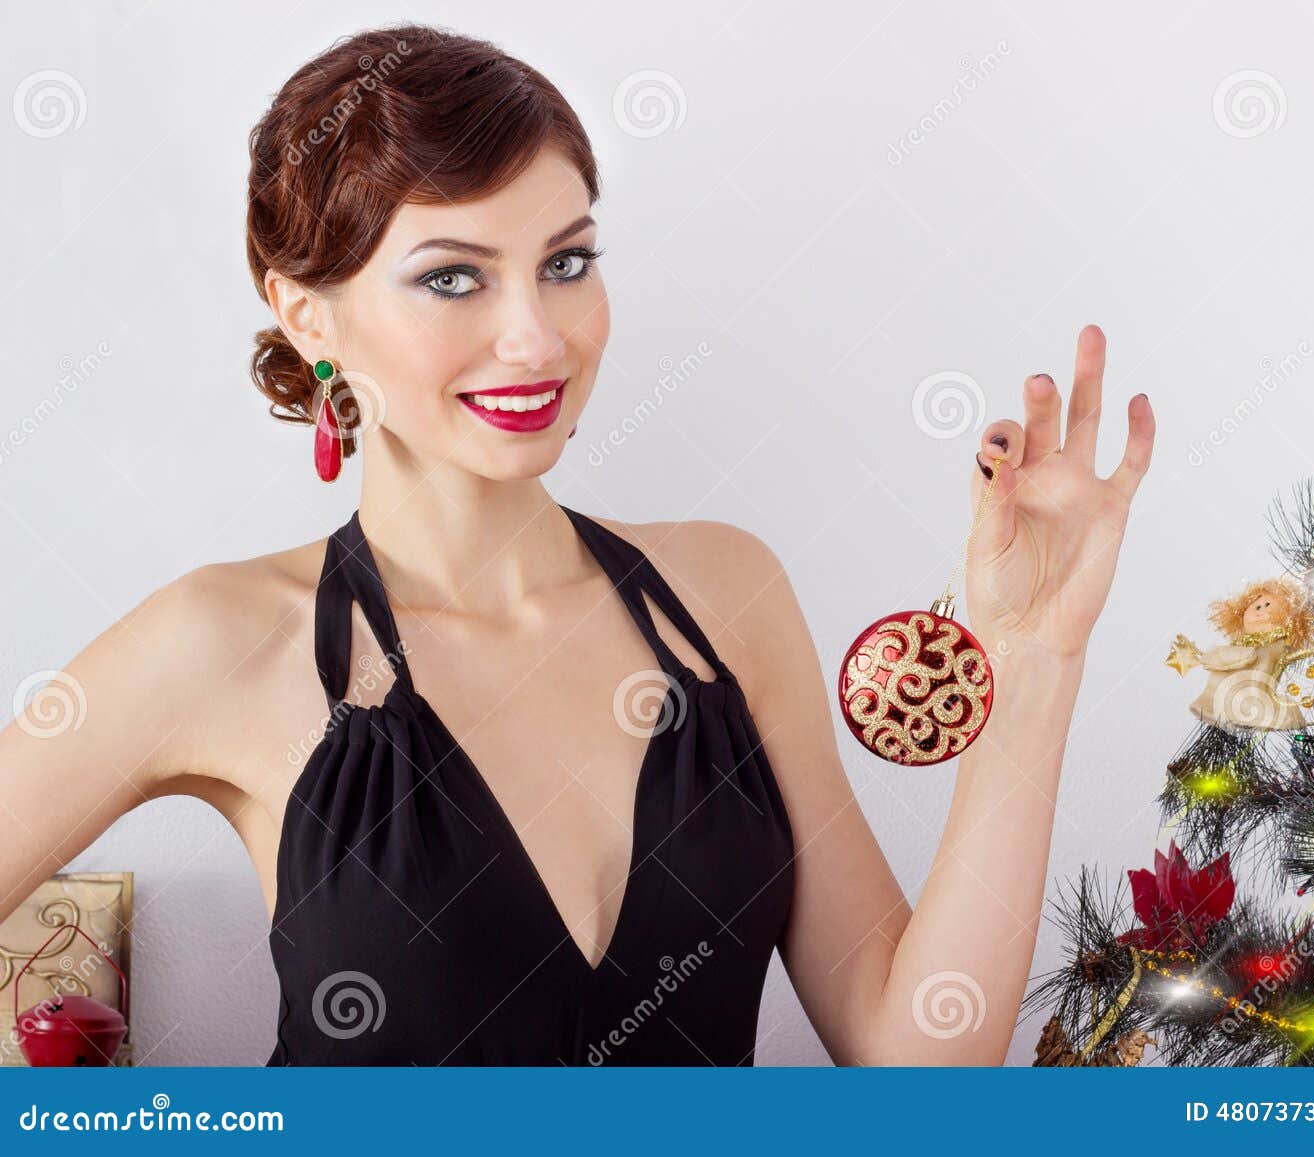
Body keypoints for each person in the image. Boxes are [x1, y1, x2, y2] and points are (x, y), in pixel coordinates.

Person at [0, 23, 1154, 1065]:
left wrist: (1035, 652)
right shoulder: (220, 641)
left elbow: (920, 1075)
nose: (535, 335)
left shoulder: (726, 592)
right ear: (309, 315)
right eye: (451, 276)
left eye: (566, 262)